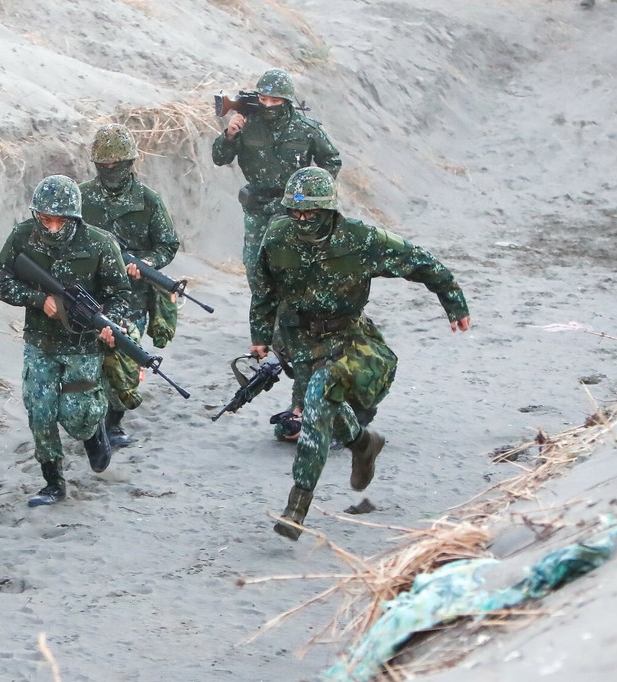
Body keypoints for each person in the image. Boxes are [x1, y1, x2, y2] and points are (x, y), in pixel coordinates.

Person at [248, 167, 471, 541]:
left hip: (346, 337)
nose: (302, 220)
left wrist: (454, 303)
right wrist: (260, 334)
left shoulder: (360, 239)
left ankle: (296, 507)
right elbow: (265, 289)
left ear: (329, 211)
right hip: (298, 339)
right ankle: (364, 444)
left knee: (316, 408)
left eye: (311, 214)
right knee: (330, 410)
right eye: (296, 213)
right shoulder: (277, 237)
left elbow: (420, 261)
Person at [212, 67, 342, 440]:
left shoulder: (306, 129)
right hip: (258, 210)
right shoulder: (246, 123)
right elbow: (220, 158)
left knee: (294, 275)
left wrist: (314, 193)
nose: (268, 105)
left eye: (275, 100)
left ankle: (290, 327)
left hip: (292, 212)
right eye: (263, 99)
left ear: (286, 101)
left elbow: (331, 160)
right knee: (256, 271)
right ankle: (265, 330)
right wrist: (230, 132)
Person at [0, 174, 132, 506]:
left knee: (78, 415)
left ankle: (94, 432)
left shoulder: (99, 243)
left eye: (60, 221)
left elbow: (122, 295)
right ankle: (53, 481)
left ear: (75, 217)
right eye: (45, 219)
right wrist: (40, 301)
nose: (52, 228)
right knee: (39, 410)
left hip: (83, 344)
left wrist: (111, 323)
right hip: (40, 341)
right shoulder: (23, 236)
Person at [79, 123, 181, 449]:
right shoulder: (81, 197)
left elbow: (167, 244)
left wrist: (146, 263)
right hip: (90, 293)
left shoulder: (148, 201)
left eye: (115, 165)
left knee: (125, 361)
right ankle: (91, 418)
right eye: (102, 165)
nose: (108, 170)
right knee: (88, 360)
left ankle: (114, 421)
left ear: (129, 163)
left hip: (132, 297)